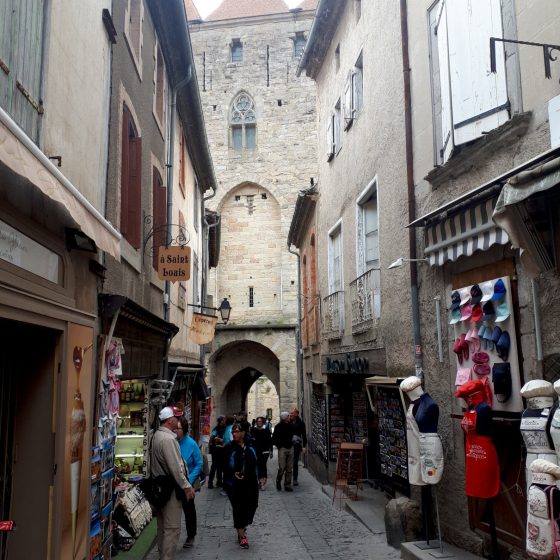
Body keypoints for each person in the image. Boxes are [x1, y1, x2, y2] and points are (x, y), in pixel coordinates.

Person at [151, 406, 195, 560]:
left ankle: (163, 555)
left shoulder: (157, 435)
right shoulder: (168, 439)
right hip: (170, 490)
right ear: (170, 420)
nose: (178, 421)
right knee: (172, 529)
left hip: (161, 487)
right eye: (176, 418)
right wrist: (187, 486)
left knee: (163, 527)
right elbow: (175, 467)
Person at [223, 423, 259, 549]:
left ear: (243, 433)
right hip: (234, 484)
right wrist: (233, 474)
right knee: (238, 508)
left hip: (251, 483)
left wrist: (262, 476)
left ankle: (242, 527)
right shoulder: (229, 448)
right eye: (233, 432)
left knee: (252, 506)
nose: (234, 434)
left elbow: (257, 462)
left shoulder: (251, 446)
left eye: (237, 431)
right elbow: (223, 466)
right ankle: (242, 536)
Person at [176, 416, 203, 549]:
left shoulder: (191, 444)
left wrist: (189, 480)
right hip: (174, 482)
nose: (176, 430)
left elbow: (199, 463)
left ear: (184, 430)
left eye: (179, 428)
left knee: (189, 510)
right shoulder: (171, 442)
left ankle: (191, 535)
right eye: (175, 428)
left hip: (187, 483)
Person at [272, 411, 294, 491]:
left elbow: (293, 435)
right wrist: (279, 446)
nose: (289, 417)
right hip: (282, 449)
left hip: (290, 448)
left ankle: (287, 484)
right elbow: (274, 438)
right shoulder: (278, 427)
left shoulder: (291, 426)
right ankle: (278, 480)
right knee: (282, 467)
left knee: (289, 468)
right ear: (285, 418)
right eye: (288, 416)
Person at [250, 416, 272, 489]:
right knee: (259, 465)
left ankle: (262, 481)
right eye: (258, 421)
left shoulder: (266, 431)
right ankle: (261, 481)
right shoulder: (253, 430)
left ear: (263, 422)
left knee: (263, 465)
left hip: (265, 451)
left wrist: (271, 451)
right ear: (256, 422)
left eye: (260, 421)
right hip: (256, 451)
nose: (259, 422)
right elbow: (251, 440)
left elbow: (270, 441)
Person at [290, 408, 307, 486]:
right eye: (290, 413)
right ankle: (288, 478)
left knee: (295, 462)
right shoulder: (288, 422)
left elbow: (304, 435)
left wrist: (304, 446)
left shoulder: (301, 423)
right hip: (288, 445)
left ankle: (295, 479)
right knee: (288, 463)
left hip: (297, 445)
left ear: (296, 414)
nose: (291, 415)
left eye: (292, 413)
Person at [208, 416, 226, 489]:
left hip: (222, 449)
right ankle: (210, 482)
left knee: (220, 466)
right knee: (214, 466)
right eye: (223, 420)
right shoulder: (216, 428)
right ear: (220, 421)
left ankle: (219, 482)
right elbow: (213, 437)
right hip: (215, 450)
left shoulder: (225, 428)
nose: (224, 421)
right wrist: (220, 439)